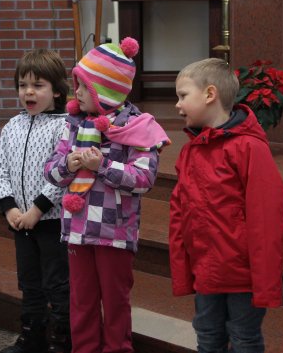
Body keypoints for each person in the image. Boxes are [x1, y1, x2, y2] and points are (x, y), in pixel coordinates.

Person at [44, 38, 170, 353]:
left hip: (115, 231)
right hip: (77, 230)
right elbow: (51, 173)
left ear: (106, 90)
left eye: (84, 87)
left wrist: (103, 166)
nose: (77, 93)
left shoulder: (139, 127)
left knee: (115, 303)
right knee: (82, 301)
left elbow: (143, 179)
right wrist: (68, 164)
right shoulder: (72, 124)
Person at [169, 58, 283, 353]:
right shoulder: (190, 151)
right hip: (206, 271)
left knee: (244, 337)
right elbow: (179, 213)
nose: (177, 105)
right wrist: (185, 267)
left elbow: (266, 219)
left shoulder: (248, 148)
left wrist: (264, 280)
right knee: (207, 335)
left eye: (183, 96)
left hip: (241, 274)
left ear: (210, 94)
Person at [0, 49, 72, 353]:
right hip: (21, 221)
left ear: (56, 90)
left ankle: (61, 339)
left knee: (57, 282)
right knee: (29, 282)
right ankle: (31, 335)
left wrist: (36, 210)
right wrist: (10, 207)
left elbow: (63, 175)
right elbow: (0, 172)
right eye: (23, 85)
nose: (29, 91)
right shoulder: (12, 126)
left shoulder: (64, 126)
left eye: (38, 85)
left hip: (50, 221)